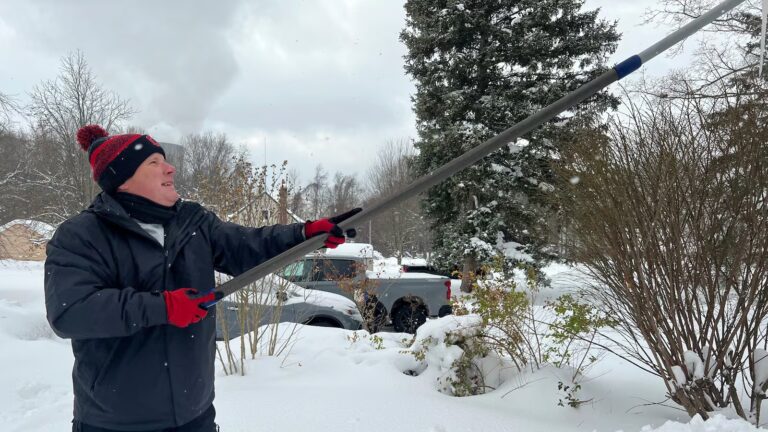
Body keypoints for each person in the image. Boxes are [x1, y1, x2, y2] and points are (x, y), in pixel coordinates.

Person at [44, 125, 358, 432]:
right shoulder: (82, 235)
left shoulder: (192, 222)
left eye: (165, 160)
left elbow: (247, 245)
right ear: (122, 179)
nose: (170, 169)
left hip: (194, 416)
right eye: (154, 162)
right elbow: (71, 311)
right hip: (115, 422)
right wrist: (163, 307)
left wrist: (304, 235)